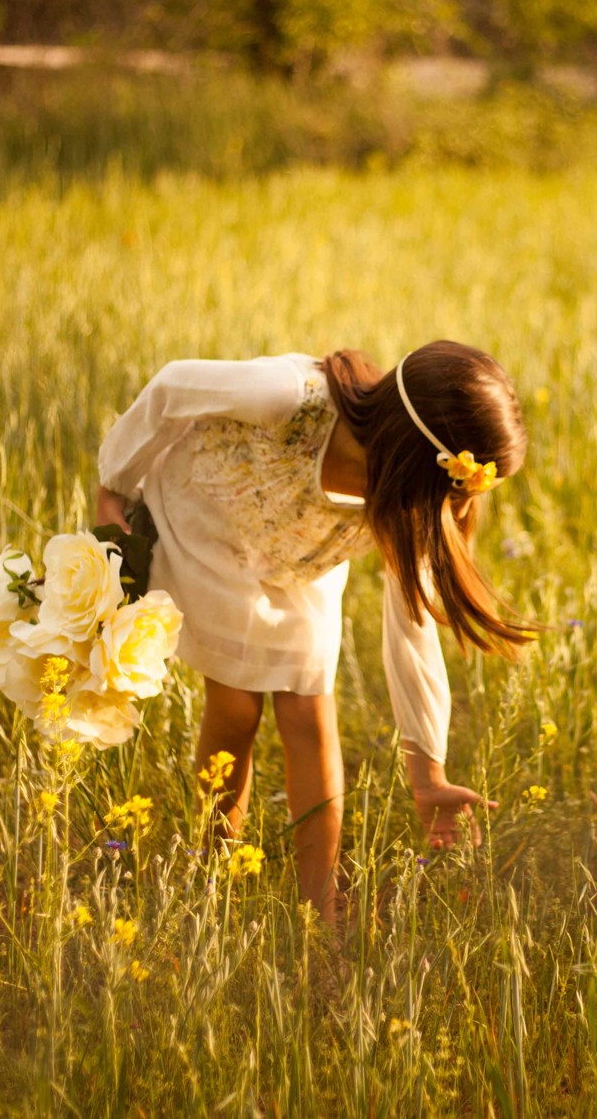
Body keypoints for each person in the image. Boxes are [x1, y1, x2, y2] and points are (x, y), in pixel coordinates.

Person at [94, 341, 535, 918]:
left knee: (309, 717)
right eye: (450, 495)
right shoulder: (287, 399)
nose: (449, 514)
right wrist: (114, 487)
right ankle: (214, 876)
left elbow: (414, 623)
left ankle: (320, 908)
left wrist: (428, 776)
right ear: (413, 465)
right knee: (236, 709)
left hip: (301, 568)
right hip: (212, 528)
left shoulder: (404, 500)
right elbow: (174, 386)